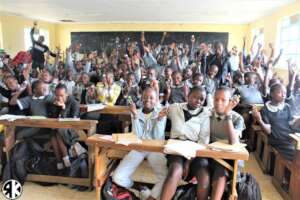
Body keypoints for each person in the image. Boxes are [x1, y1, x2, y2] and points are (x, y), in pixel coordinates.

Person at [113, 87, 167, 200]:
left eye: (152, 98)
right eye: (145, 97)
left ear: (157, 100)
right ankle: (139, 188)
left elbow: (157, 137)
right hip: (138, 149)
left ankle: (150, 197)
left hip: (154, 149)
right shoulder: (136, 112)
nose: (148, 100)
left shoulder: (160, 113)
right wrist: (135, 115)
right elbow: (137, 136)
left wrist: (160, 120)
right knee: (118, 177)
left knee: (166, 177)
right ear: (141, 99)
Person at [160, 86, 211, 200]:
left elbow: (203, 142)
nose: (198, 101)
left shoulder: (205, 114)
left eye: (201, 99)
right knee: (175, 171)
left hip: (196, 150)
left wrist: (188, 162)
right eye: (194, 97)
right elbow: (160, 112)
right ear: (188, 96)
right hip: (176, 147)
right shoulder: (175, 108)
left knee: (204, 177)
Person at [209, 87, 245, 200]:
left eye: (223, 100)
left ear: (230, 102)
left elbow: (233, 142)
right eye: (216, 99)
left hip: (229, 157)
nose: (219, 103)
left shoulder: (237, 118)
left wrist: (227, 114)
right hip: (210, 154)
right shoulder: (208, 114)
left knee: (220, 171)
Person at [252, 83, 300, 163]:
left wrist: (298, 120)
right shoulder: (265, 110)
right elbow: (268, 131)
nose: (283, 95)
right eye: (280, 92)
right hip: (278, 139)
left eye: (284, 93)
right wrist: (259, 120)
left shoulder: (286, 107)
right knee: (296, 155)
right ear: (271, 94)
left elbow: (292, 125)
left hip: (290, 137)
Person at [48, 83, 80, 171]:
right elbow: (53, 118)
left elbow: (74, 120)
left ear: (67, 94)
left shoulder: (74, 103)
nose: (59, 98)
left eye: (61, 95)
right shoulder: (54, 102)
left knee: (57, 132)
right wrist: (56, 109)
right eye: (57, 95)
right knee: (53, 134)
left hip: (72, 130)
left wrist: (63, 108)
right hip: (58, 129)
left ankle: (65, 162)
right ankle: (60, 162)